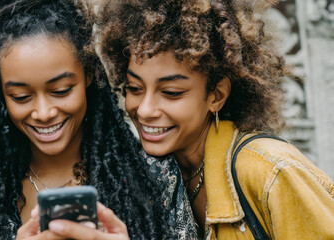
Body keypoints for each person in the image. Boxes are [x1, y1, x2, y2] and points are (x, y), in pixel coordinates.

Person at [0, 0, 197, 239]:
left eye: (61, 90)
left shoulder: (155, 176)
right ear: (1, 94)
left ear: (88, 75)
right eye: (21, 96)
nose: (44, 113)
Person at [95, 0, 334, 239]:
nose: (145, 110)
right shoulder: (155, 176)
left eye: (171, 93)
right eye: (134, 88)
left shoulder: (273, 172)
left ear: (216, 95)